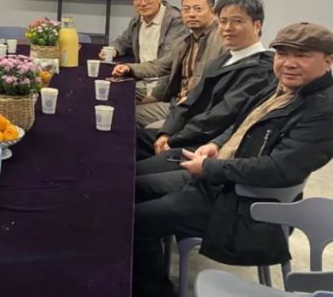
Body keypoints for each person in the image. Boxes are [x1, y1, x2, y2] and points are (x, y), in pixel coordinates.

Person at [132, 22, 333, 297]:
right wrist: (215, 145)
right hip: (221, 184)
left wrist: (210, 168)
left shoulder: (323, 111)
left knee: (136, 221)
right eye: (282, 53)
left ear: (328, 60)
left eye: (302, 55)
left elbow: (278, 169)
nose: (289, 63)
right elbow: (240, 125)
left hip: (243, 206)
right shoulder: (281, 88)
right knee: (131, 187)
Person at [136, 0, 275, 177]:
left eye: (237, 21)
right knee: (128, 139)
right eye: (223, 21)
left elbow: (219, 117)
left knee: (131, 174)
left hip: (204, 146)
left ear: (257, 26)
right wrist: (166, 132)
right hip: (186, 134)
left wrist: (175, 139)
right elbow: (190, 101)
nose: (228, 28)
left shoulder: (260, 69)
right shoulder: (224, 59)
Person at [113, 0, 226, 130]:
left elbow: (224, 85)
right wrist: (129, 68)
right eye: (186, 9)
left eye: (198, 9)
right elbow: (161, 65)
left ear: (212, 12)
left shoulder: (223, 41)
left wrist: (194, 99)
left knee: (139, 127)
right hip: (177, 104)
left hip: (200, 112)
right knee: (124, 113)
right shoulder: (185, 42)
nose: (191, 14)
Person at [102, 0, 187, 100]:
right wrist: (113, 50)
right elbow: (123, 41)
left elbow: (170, 64)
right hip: (141, 81)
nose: (143, 3)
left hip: (161, 87)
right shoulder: (138, 20)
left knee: (116, 100)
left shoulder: (175, 22)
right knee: (104, 91)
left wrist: (155, 96)